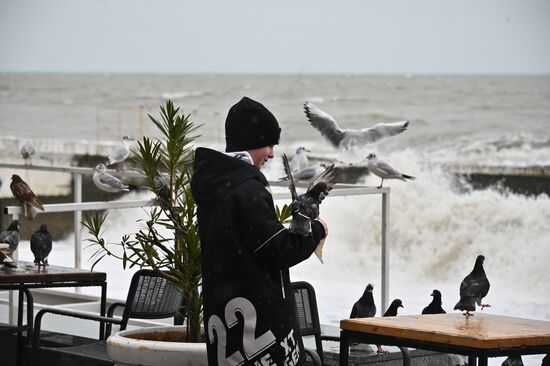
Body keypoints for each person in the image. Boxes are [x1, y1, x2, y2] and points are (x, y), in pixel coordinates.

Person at [191, 96, 328, 366]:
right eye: (269, 144)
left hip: (226, 319)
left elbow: (251, 242)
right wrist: (316, 231)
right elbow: (279, 250)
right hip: (260, 324)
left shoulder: (214, 185)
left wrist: (300, 222)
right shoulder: (247, 190)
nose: (272, 154)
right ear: (252, 141)